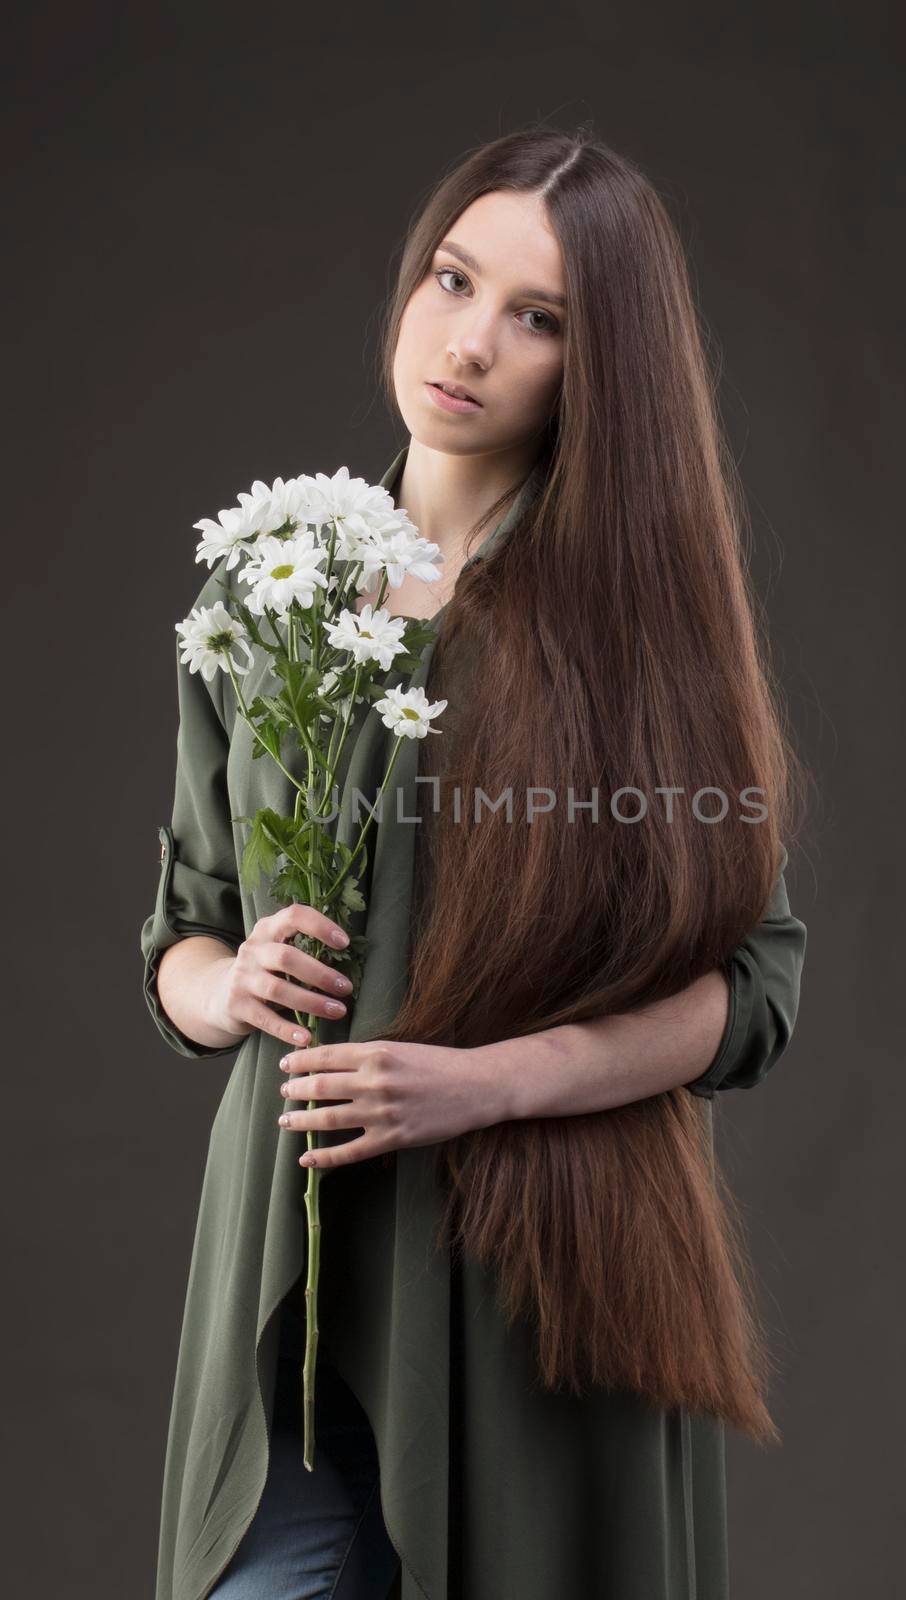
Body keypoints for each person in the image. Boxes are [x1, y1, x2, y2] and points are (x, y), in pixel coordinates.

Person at [140, 126, 808, 1600]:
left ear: (598, 365)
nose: (468, 343)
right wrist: (228, 980)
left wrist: (485, 1081)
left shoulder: (628, 627)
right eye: (454, 278)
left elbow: (752, 989)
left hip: (532, 1306)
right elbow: (178, 936)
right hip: (285, 1295)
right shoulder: (267, 586)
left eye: (539, 317)